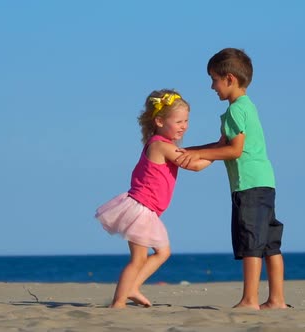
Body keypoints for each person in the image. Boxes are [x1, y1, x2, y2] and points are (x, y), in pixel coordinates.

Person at [176, 48, 288, 310]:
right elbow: (221, 144)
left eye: (214, 79)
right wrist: (190, 151)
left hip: (248, 185)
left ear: (229, 78)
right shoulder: (246, 107)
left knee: (251, 242)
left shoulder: (236, 110)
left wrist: (203, 154)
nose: (211, 86)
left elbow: (234, 150)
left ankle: (250, 300)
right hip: (264, 183)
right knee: (270, 243)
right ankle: (277, 300)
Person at [95, 89, 211, 309]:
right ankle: (119, 301)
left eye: (186, 120)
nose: (184, 126)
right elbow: (194, 164)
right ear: (159, 121)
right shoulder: (160, 145)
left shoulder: (160, 143)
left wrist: (212, 149)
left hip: (143, 209)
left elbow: (187, 154)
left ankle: (131, 289)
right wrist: (221, 154)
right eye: (178, 121)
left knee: (159, 253)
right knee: (142, 258)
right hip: (141, 209)